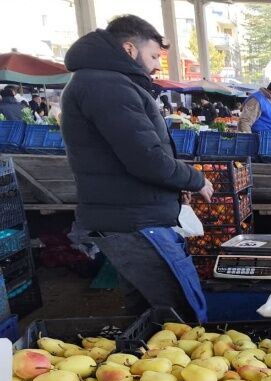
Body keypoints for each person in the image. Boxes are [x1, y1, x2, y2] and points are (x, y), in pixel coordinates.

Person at [61, 14, 212, 321]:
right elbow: (146, 158)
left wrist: (173, 187)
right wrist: (195, 180)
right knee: (178, 314)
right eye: (154, 56)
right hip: (135, 221)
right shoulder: (107, 86)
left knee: (147, 312)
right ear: (130, 49)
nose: (156, 66)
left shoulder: (102, 82)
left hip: (131, 215)